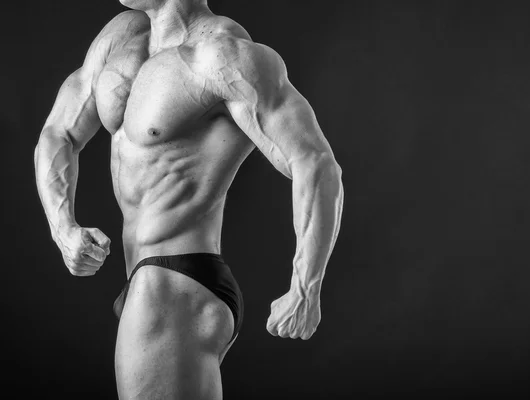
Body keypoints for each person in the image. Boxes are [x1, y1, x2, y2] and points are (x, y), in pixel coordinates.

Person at [34, 0, 344, 398]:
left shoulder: (222, 55)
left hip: (176, 282)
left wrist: (305, 287)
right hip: (148, 284)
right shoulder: (122, 37)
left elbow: (315, 162)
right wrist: (63, 229)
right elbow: (59, 133)